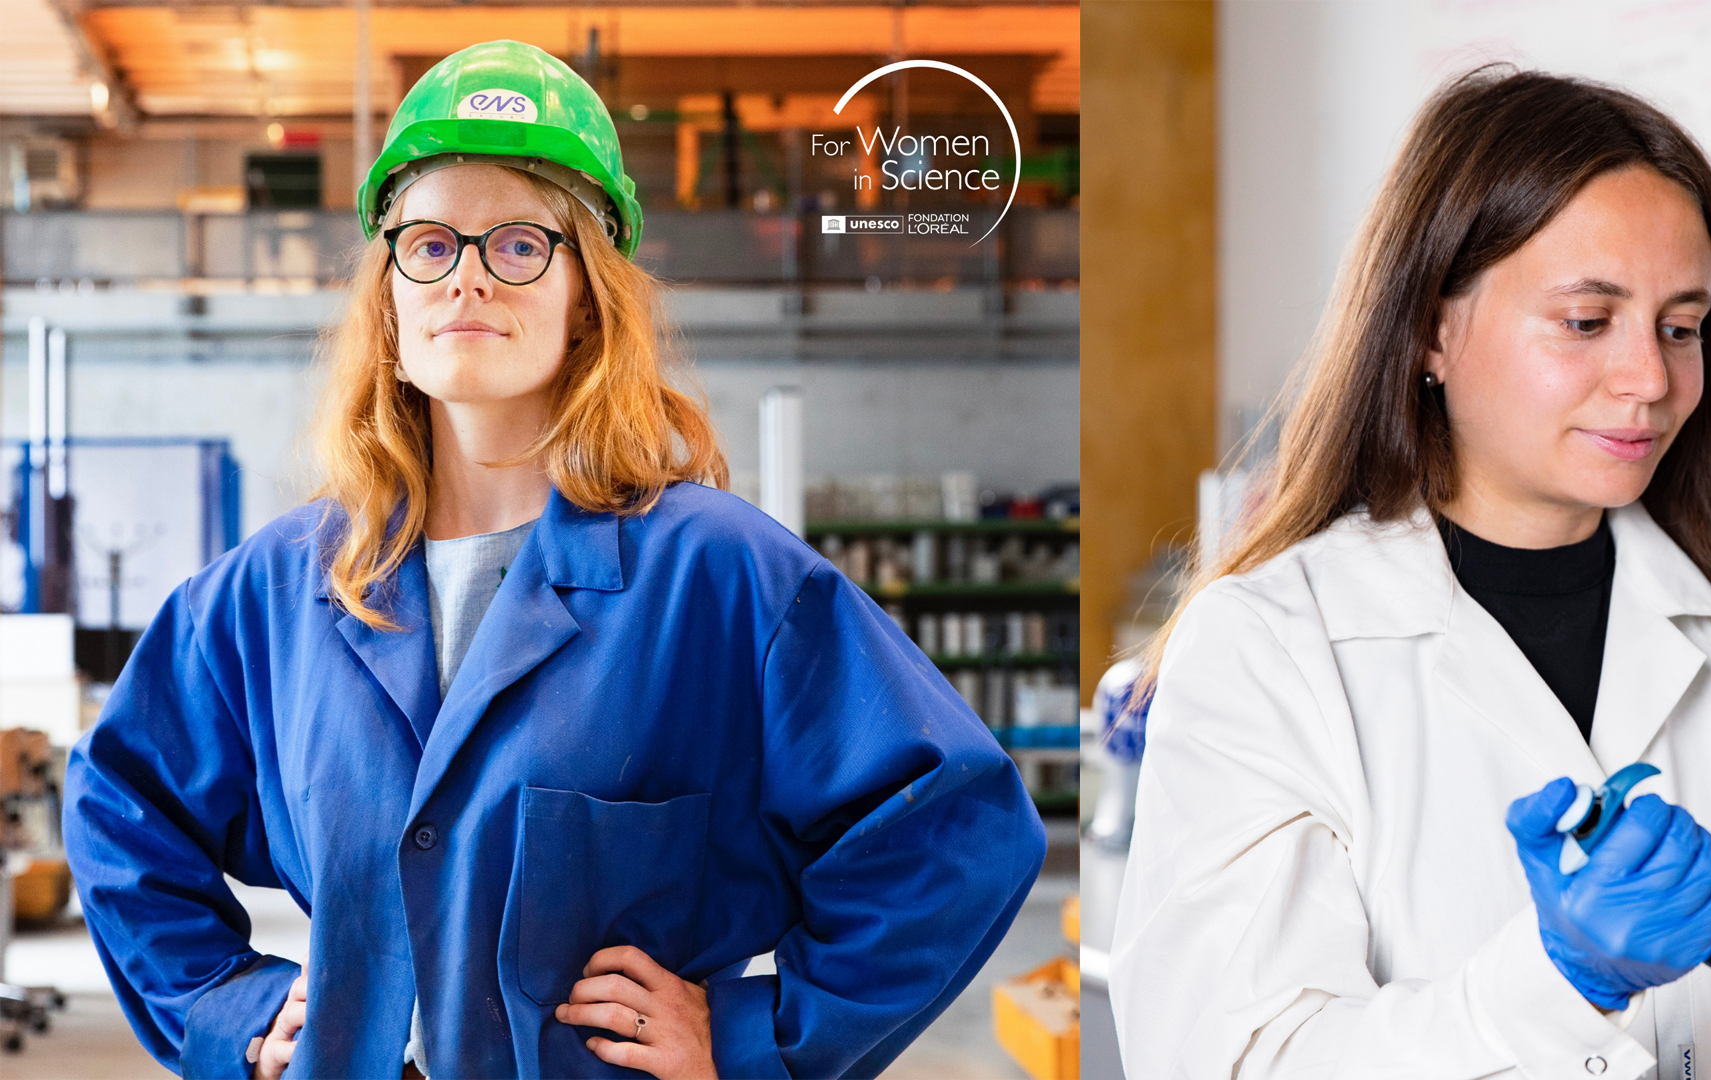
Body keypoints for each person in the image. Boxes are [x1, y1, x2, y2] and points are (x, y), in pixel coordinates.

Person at [65, 40, 1045, 1080]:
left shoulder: (719, 579)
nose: (468, 277)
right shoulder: (276, 593)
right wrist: (233, 1009)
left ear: (587, 294)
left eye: (519, 244)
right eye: (431, 244)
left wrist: (753, 1034)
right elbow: (122, 806)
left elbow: (956, 832)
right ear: (390, 295)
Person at [1108, 68, 1711, 1079]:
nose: (1653, 380)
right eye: (1588, 321)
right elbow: (1227, 1060)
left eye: (1681, 326)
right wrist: (1558, 981)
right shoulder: (1270, 647)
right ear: (1430, 331)